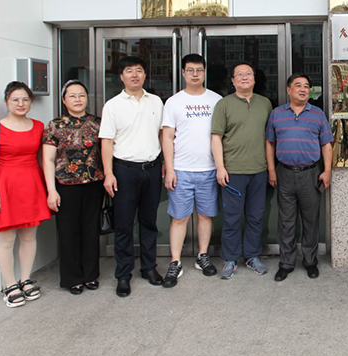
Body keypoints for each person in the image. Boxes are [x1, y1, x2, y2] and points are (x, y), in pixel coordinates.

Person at [0, 81, 52, 307]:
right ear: (6, 102)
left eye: (25, 100)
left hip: (32, 185)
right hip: (6, 187)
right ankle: (10, 284)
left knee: (29, 236)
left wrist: (48, 189)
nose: (21, 104)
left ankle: (25, 279)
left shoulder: (39, 127)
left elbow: (43, 159)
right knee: (7, 238)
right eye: (15, 100)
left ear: (31, 102)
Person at [99, 56, 165, 297]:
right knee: (124, 225)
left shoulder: (156, 101)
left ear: (145, 75)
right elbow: (107, 142)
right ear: (121, 76)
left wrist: (165, 163)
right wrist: (108, 174)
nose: (134, 75)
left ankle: (149, 268)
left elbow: (163, 135)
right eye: (129, 71)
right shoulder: (113, 105)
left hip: (152, 169)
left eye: (139, 70)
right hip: (124, 171)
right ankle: (123, 274)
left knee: (149, 222)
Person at [160, 54, 222, 288]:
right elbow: (167, 137)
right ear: (183, 73)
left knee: (206, 215)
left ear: (205, 72)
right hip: (181, 170)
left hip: (208, 169)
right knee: (179, 217)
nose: (195, 74)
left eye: (199, 70)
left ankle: (202, 256)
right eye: (190, 70)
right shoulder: (174, 102)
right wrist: (169, 168)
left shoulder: (216, 100)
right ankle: (175, 261)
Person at [265, 74, 333, 281]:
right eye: (298, 86)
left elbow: (326, 144)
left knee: (310, 220)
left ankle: (310, 261)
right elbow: (270, 143)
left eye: (306, 86)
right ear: (288, 90)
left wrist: (327, 170)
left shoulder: (318, 114)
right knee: (286, 221)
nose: (303, 89)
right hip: (284, 173)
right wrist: (272, 170)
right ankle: (286, 263)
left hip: (310, 173)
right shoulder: (277, 114)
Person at [211, 61, 273, 279]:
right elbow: (216, 138)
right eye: (240, 74)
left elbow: (269, 139)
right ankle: (230, 259)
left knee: (256, 217)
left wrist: (270, 169)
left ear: (254, 79)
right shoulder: (224, 104)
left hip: (259, 171)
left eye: (249, 74)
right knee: (232, 218)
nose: (245, 77)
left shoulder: (265, 104)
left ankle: (252, 256)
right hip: (233, 171)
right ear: (233, 81)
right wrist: (220, 167)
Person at [42, 80, 104, 295]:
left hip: (94, 184)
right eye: (72, 96)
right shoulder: (55, 125)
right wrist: (51, 190)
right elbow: (48, 159)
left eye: (81, 95)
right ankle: (73, 278)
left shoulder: (97, 123)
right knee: (69, 232)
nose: (78, 99)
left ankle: (91, 275)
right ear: (64, 100)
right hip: (65, 185)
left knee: (91, 230)